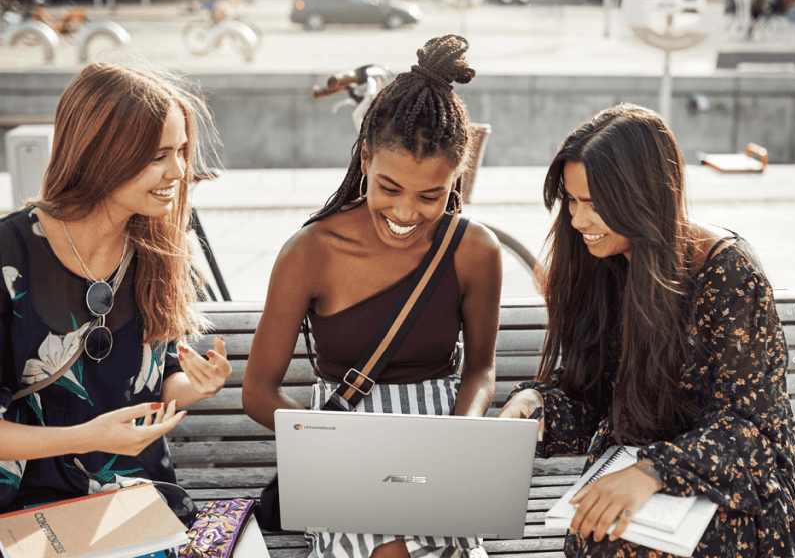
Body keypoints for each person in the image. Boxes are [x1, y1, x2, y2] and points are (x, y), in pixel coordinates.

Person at [499, 103, 795, 558]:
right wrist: (539, 408)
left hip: (738, 480)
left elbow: (751, 427)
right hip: (633, 468)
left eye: (596, 205)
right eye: (572, 201)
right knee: (603, 535)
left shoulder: (730, 274)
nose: (577, 222)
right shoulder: (598, 264)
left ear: (644, 196)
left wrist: (653, 473)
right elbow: (595, 397)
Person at [242, 34, 502, 558]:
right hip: (342, 443)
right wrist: (331, 441)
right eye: (389, 188)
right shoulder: (311, 251)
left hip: (438, 437)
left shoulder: (475, 250)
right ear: (364, 159)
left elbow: (480, 370)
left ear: (459, 174)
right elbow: (258, 391)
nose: (406, 212)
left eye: (431, 195)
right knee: (389, 548)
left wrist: (464, 433)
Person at [0, 63, 232, 523]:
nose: (179, 171)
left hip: (140, 502)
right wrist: (90, 437)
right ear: (100, 153)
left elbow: (154, 381)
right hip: (28, 509)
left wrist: (195, 386)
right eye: (158, 156)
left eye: (182, 151)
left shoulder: (163, 251)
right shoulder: (10, 254)